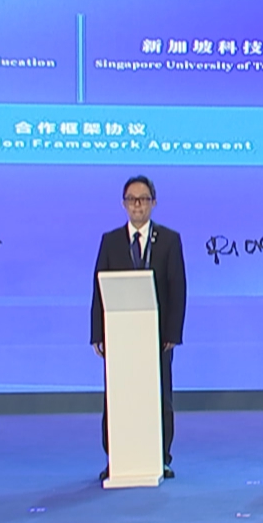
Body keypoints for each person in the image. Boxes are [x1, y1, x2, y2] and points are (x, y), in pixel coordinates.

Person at [91, 175, 187, 480]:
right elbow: (99, 288)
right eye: (131, 199)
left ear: (153, 203)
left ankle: (161, 457)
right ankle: (116, 457)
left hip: (157, 337)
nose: (137, 205)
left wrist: (173, 333)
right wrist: (98, 333)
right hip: (120, 336)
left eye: (143, 199)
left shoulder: (169, 240)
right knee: (117, 396)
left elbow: (178, 289)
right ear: (123, 204)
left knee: (161, 396)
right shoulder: (110, 241)